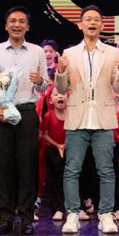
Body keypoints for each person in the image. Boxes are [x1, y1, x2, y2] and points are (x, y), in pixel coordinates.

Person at [53, 6, 119, 234]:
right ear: (80, 24)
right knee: (72, 169)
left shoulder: (113, 53)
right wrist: (61, 71)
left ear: (102, 25)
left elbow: (117, 87)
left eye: (97, 19)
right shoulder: (69, 53)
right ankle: (73, 214)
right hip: (77, 117)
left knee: (106, 170)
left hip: (103, 118)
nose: (92, 23)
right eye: (88, 19)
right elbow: (61, 88)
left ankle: (106, 214)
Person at [0, 7, 49, 236]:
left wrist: (40, 80)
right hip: (1, 114)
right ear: (6, 25)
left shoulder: (37, 51)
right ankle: (5, 217)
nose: (17, 25)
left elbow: (43, 86)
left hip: (27, 111)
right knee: (3, 166)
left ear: (28, 26)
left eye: (22, 21)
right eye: (13, 21)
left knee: (28, 166)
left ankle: (26, 217)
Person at [40, 92, 69, 220]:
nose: (60, 97)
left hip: (69, 149)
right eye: (56, 95)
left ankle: (72, 207)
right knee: (54, 180)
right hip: (52, 151)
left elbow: (74, 131)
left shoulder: (72, 115)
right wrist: (58, 145)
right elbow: (44, 134)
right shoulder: (47, 116)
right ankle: (57, 209)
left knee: (70, 179)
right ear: (51, 100)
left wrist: (65, 145)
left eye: (63, 94)